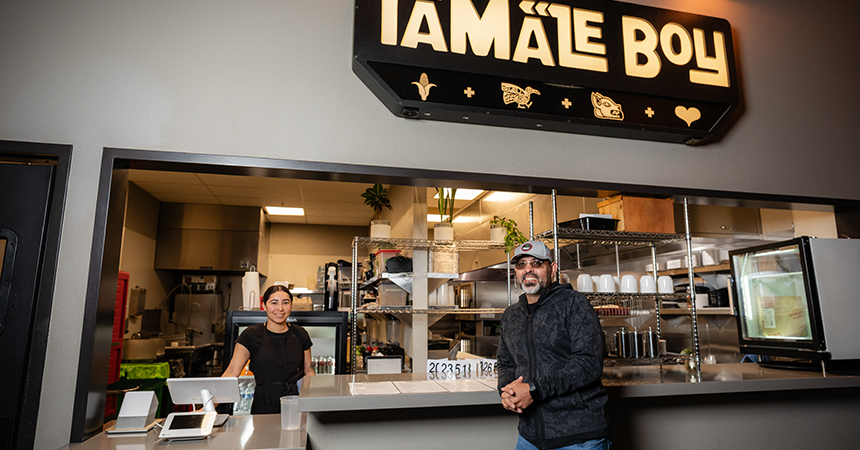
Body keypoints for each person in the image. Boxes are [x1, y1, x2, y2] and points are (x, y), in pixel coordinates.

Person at [497, 240, 611, 450]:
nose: (528, 269)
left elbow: (588, 364)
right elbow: (505, 363)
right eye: (521, 264)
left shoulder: (574, 304)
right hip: (530, 437)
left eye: (537, 263)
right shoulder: (511, 315)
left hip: (579, 438)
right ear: (516, 271)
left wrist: (533, 390)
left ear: (553, 269)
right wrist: (506, 392)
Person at [222, 284, 315, 414]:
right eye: (274, 303)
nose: (280, 308)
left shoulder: (300, 334)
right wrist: (209, 406)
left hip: (295, 403)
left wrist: (316, 403)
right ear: (264, 305)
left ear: (291, 306)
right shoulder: (251, 335)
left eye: (286, 303)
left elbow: (308, 371)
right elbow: (231, 373)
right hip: (264, 404)